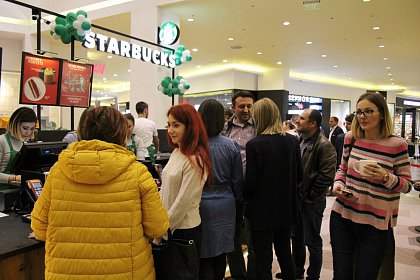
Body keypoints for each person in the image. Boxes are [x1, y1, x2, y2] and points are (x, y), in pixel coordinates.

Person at [30, 106, 169, 279]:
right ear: (121, 133)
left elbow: (39, 227)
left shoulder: (58, 171)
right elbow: (158, 227)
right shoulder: (138, 173)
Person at [330, 92, 413, 280]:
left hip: (375, 223)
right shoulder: (351, 138)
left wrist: (385, 177)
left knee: (366, 275)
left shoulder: (397, 144)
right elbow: (342, 169)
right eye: (359, 112)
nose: (362, 117)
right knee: (341, 275)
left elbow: (407, 185)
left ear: (382, 113)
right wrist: (338, 186)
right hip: (343, 215)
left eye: (368, 111)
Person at [244, 98, 303, 280]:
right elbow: (299, 176)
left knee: (263, 258)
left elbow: (251, 183)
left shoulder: (255, 145)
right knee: (285, 252)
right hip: (286, 207)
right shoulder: (292, 142)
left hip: (261, 210)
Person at [156, 103, 212, 267]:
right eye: (168, 125)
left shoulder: (196, 160)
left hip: (183, 232)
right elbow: (165, 190)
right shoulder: (177, 152)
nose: (170, 130)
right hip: (169, 229)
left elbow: (182, 203)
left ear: (190, 127)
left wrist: (161, 233)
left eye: (176, 125)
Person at [198, 99, 243, 280]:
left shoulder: (192, 146)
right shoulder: (231, 145)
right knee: (221, 252)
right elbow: (237, 181)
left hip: (198, 202)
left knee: (202, 252)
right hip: (226, 203)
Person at [291, 109, 337, 280]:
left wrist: (310, 197)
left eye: (302, 119)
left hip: (311, 202)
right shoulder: (300, 140)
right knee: (296, 237)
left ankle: (313, 275)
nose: (297, 121)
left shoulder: (324, 145)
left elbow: (326, 176)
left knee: (312, 240)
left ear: (312, 124)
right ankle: (297, 271)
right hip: (299, 200)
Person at [222, 90, 256, 280]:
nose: (245, 110)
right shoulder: (225, 129)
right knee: (232, 236)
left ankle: (252, 275)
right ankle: (238, 275)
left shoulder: (259, 127)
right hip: (231, 190)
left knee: (253, 237)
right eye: (241, 106)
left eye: (249, 106)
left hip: (254, 191)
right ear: (234, 107)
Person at [0, 107, 37, 189]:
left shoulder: (24, 144)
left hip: (16, 192)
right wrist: (14, 178)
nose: (28, 133)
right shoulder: (1, 141)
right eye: (25, 128)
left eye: (32, 129)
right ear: (15, 124)